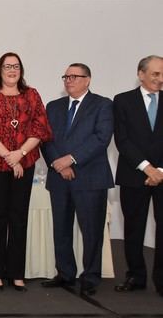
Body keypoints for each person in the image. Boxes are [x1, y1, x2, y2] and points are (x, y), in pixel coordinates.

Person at [0, 52, 52, 292]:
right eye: (7, 66)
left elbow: (40, 128)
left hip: (25, 164)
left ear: (21, 70)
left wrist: (20, 154)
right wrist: (10, 156)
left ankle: (17, 273)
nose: (12, 70)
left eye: (16, 66)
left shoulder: (32, 95)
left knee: (19, 218)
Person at [41, 63, 113, 296]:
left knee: (91, 230)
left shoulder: (102, 105)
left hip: (90, 178)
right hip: (59, 177)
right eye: (66, 76)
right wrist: (57, 164)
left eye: (75, 76)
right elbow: (45, 139)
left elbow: (101, 138)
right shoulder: (53, 107)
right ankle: (65, 273)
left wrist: (71, 159)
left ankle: (91, 276)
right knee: (61, 229)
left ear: (87, 80)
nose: (69, 80)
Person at [113, 55, 163, 297]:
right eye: (155, 74)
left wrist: (159, 170)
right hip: (134, 175)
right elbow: (122, 139)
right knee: (134, 227)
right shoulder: (122, 101)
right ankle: (135, 276)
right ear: (141, 74)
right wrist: (147, 168)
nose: (160, 79)